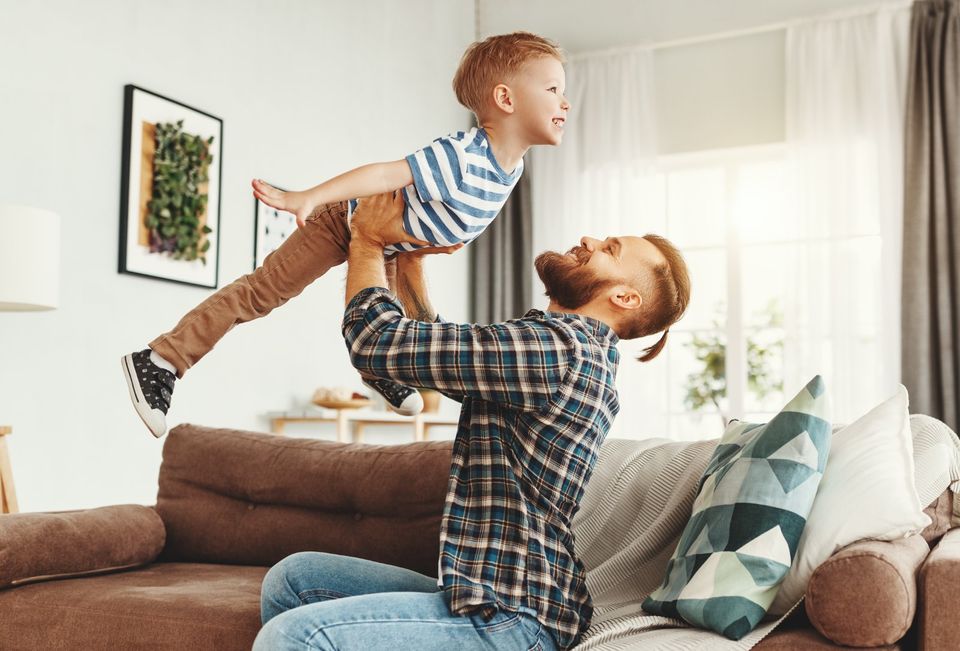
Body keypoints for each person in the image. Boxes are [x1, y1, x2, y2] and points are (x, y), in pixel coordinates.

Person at [253, 191, 691, 651]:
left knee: (297, 634)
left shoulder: (559, 349)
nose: (589, 240)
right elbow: (439, 352)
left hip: (515, 618)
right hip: (493, 595)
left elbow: (376, 342)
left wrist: (366, 238)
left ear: (624, 296)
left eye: (609, 249)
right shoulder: (569, 353)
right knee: (295, 579)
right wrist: (411, 262)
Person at [121, 31, 571, 437]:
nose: (564, 102)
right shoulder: (463, 155)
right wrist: (309, 197)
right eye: (553, 90)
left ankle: (380, 372)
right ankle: (160, 360)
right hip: (347, 221)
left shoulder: (512, 168)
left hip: (397, 243)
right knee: (264, 292)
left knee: (410, 326)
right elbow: (383, 175)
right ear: (506, 99)